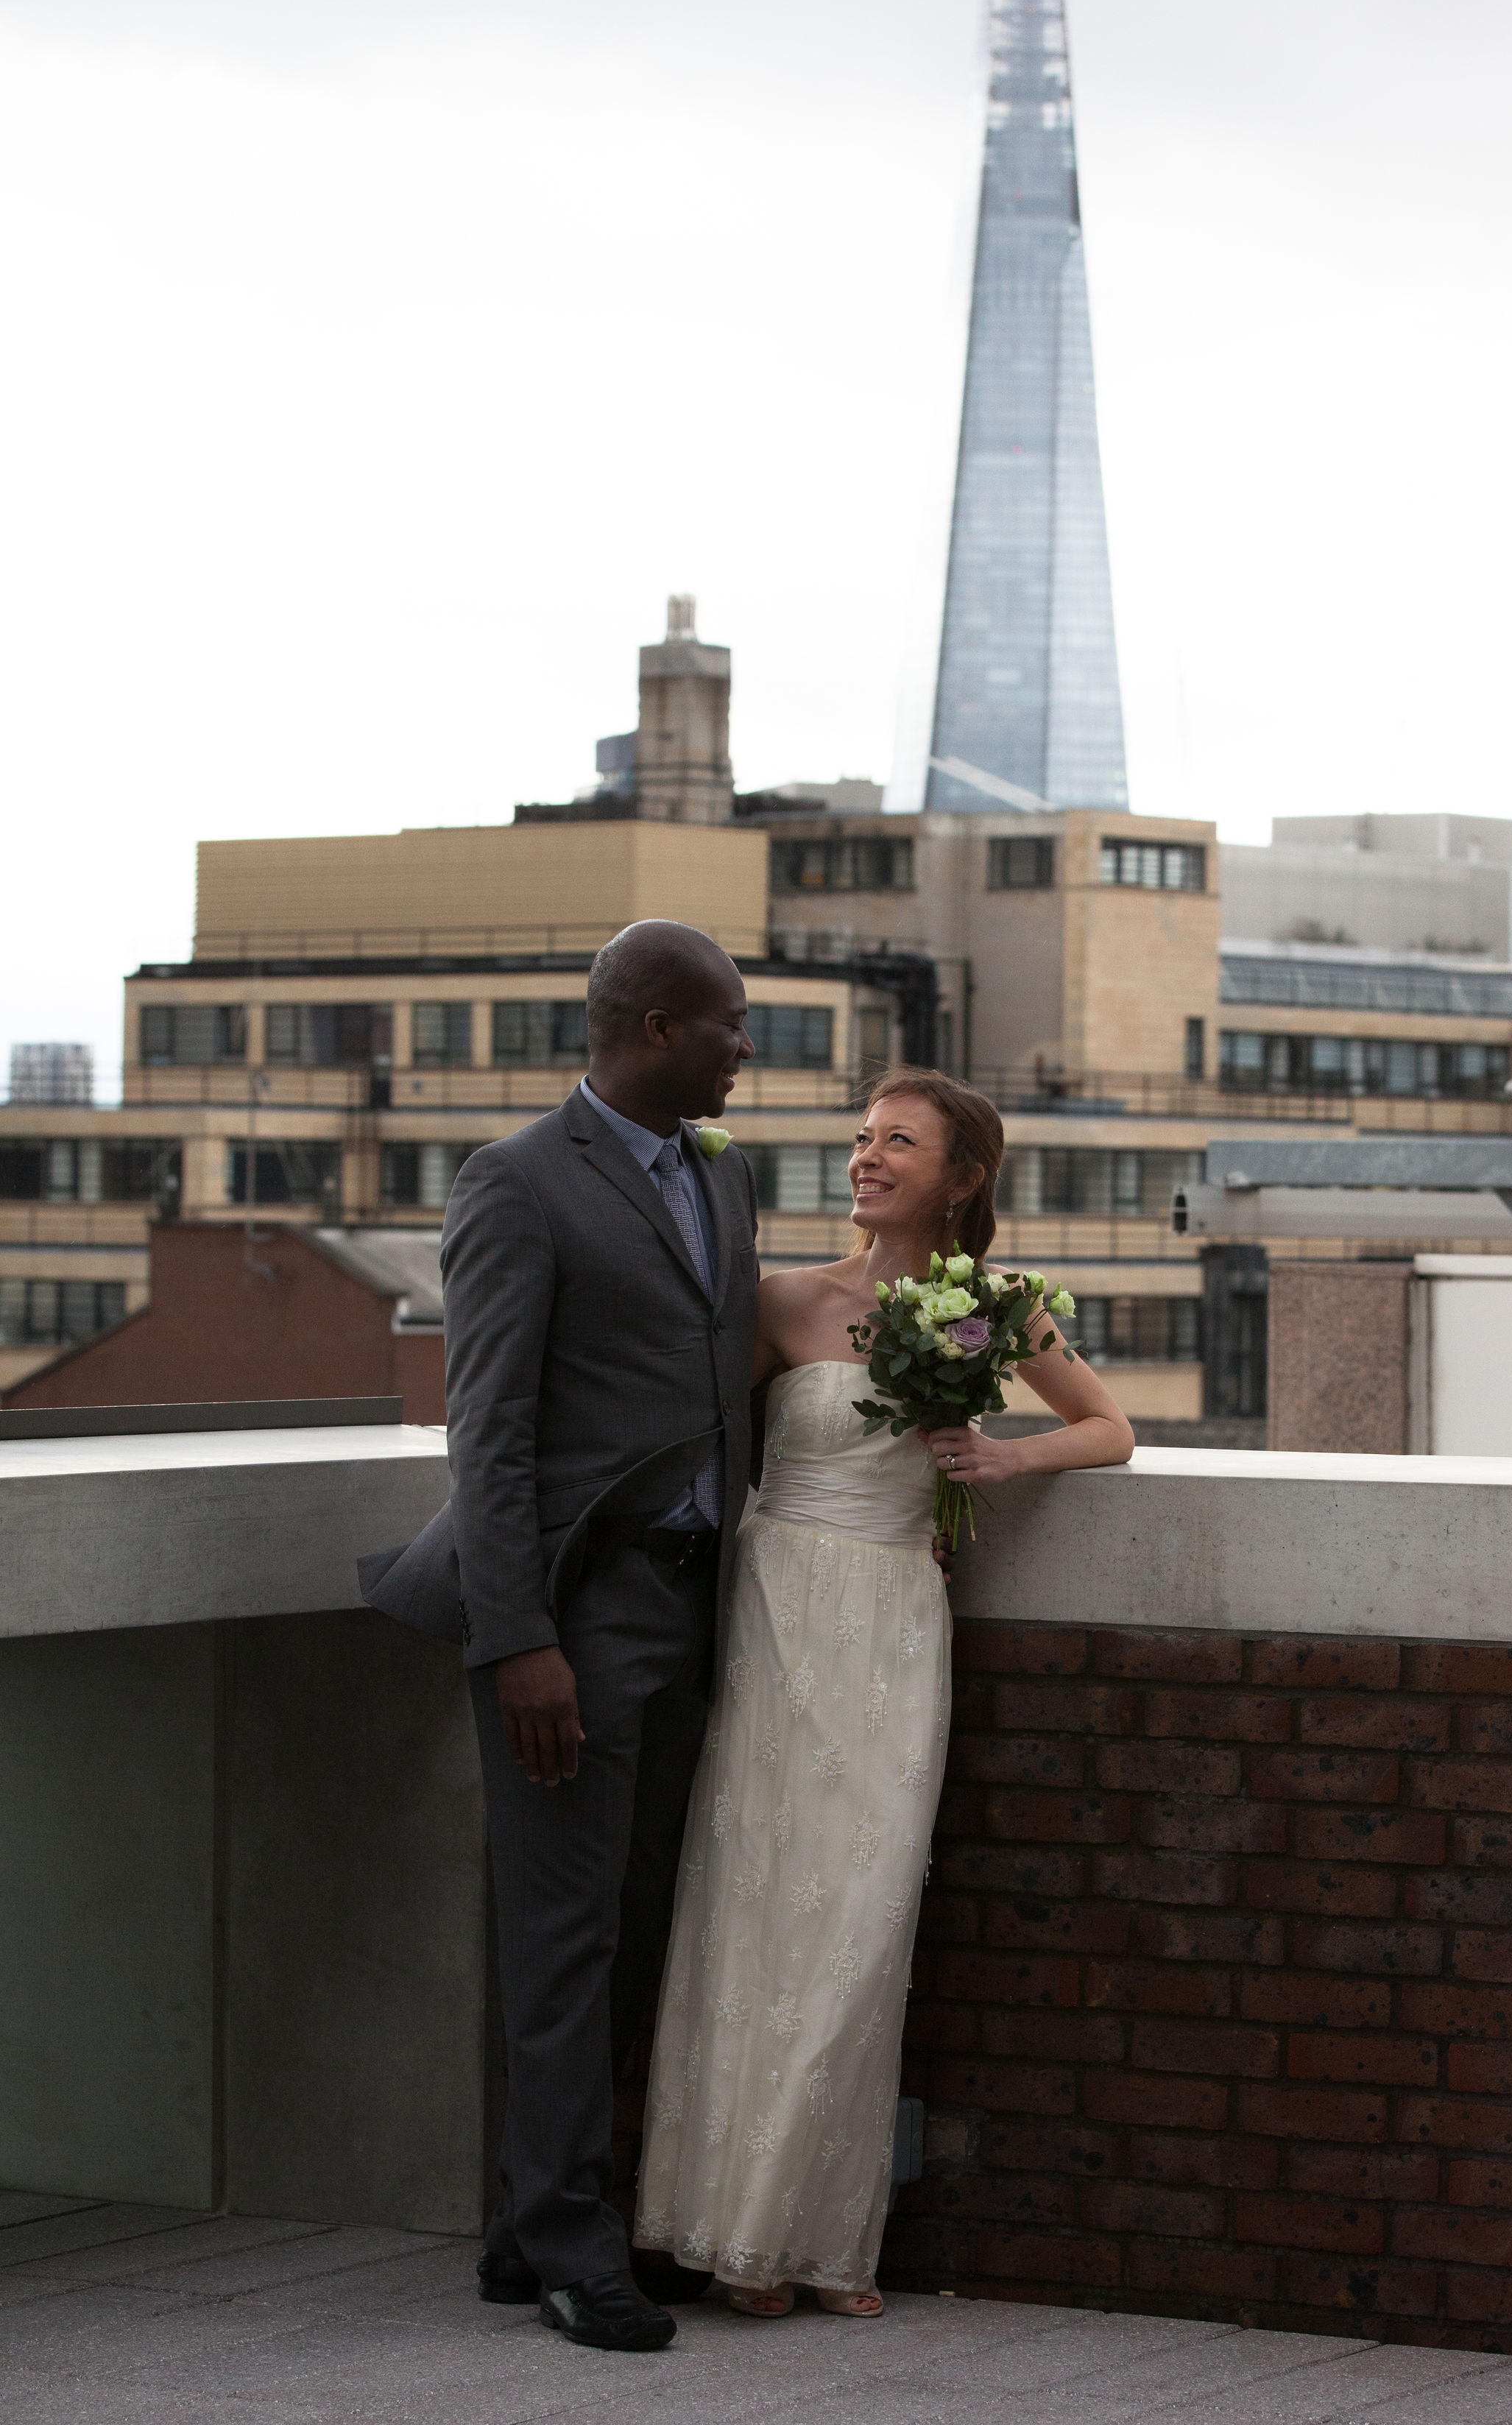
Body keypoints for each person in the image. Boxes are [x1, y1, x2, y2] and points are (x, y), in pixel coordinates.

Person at [633, 1065, 1132, 2316]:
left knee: (860, 1920)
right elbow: (698, 1434)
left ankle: (804, 2233)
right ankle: (725, 2229)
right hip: (776, 1612)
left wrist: (1000, 1461)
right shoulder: (783, 1300)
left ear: (961, 1177)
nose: (867, 1157)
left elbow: (1110, 1429)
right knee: (752, 1904)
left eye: (899, 1141)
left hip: (896, 1625)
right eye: (863, 1137)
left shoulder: (998, 1309)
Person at [358, 918, 759, 2354]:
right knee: (563, 1935)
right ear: (653, 1026)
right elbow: (492, 1430)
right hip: (572, 1618)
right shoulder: (516, 1181)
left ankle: (531, 2222)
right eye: (726, 1024)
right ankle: (575, 2246)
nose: (744, 1049)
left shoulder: (724, 1176)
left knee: (638, 1926)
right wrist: (518, 1638)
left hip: (695, 1608)